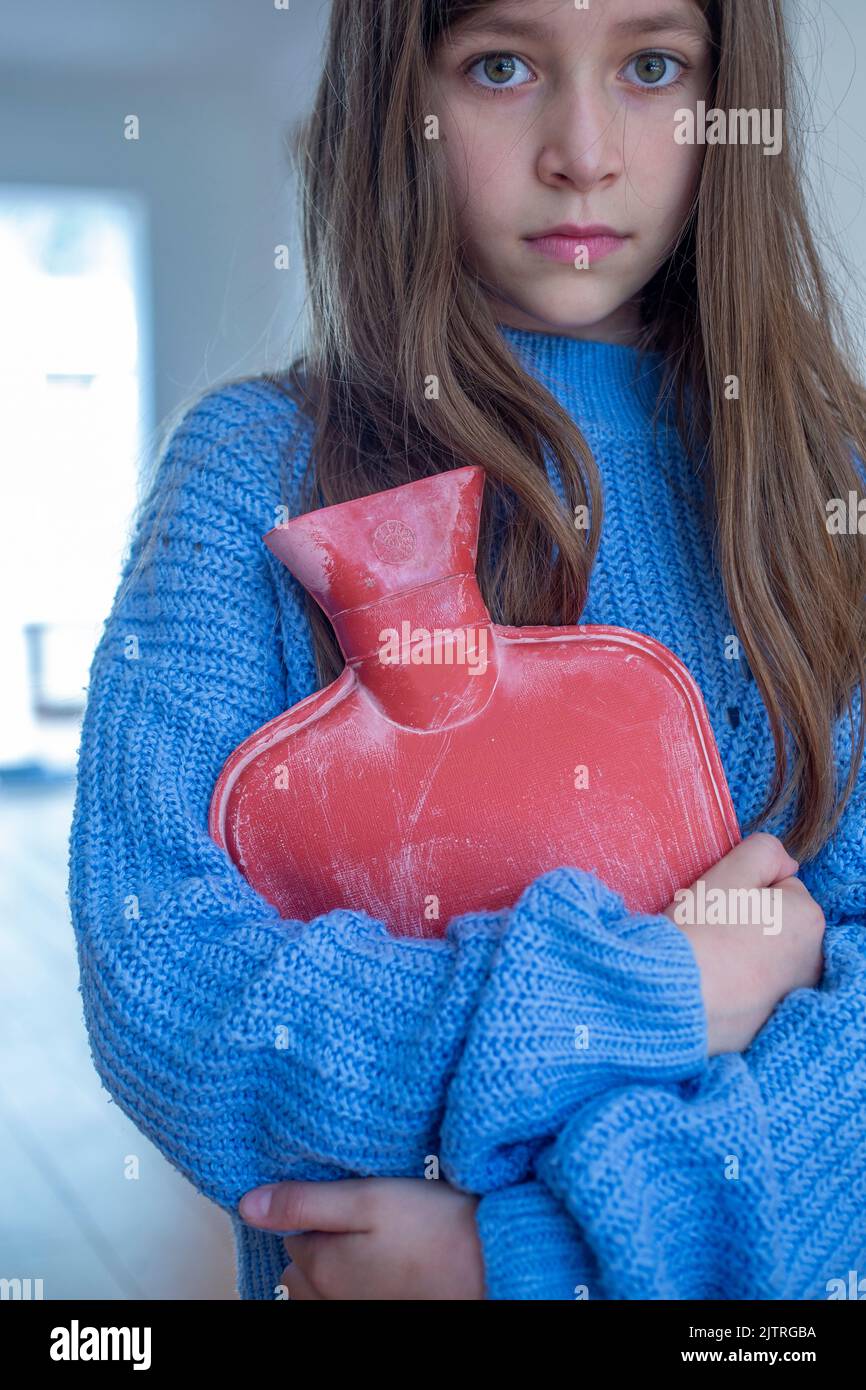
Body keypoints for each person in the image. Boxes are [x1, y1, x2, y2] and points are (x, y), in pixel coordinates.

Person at [68, 0, 866, 1300]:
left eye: (651, 67)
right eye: (502, 66)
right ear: (402, 97)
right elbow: (168, 984)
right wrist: (657, 988)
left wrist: (529, 1259)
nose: (583, 150)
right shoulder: (252, 479)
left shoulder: (826, 485)